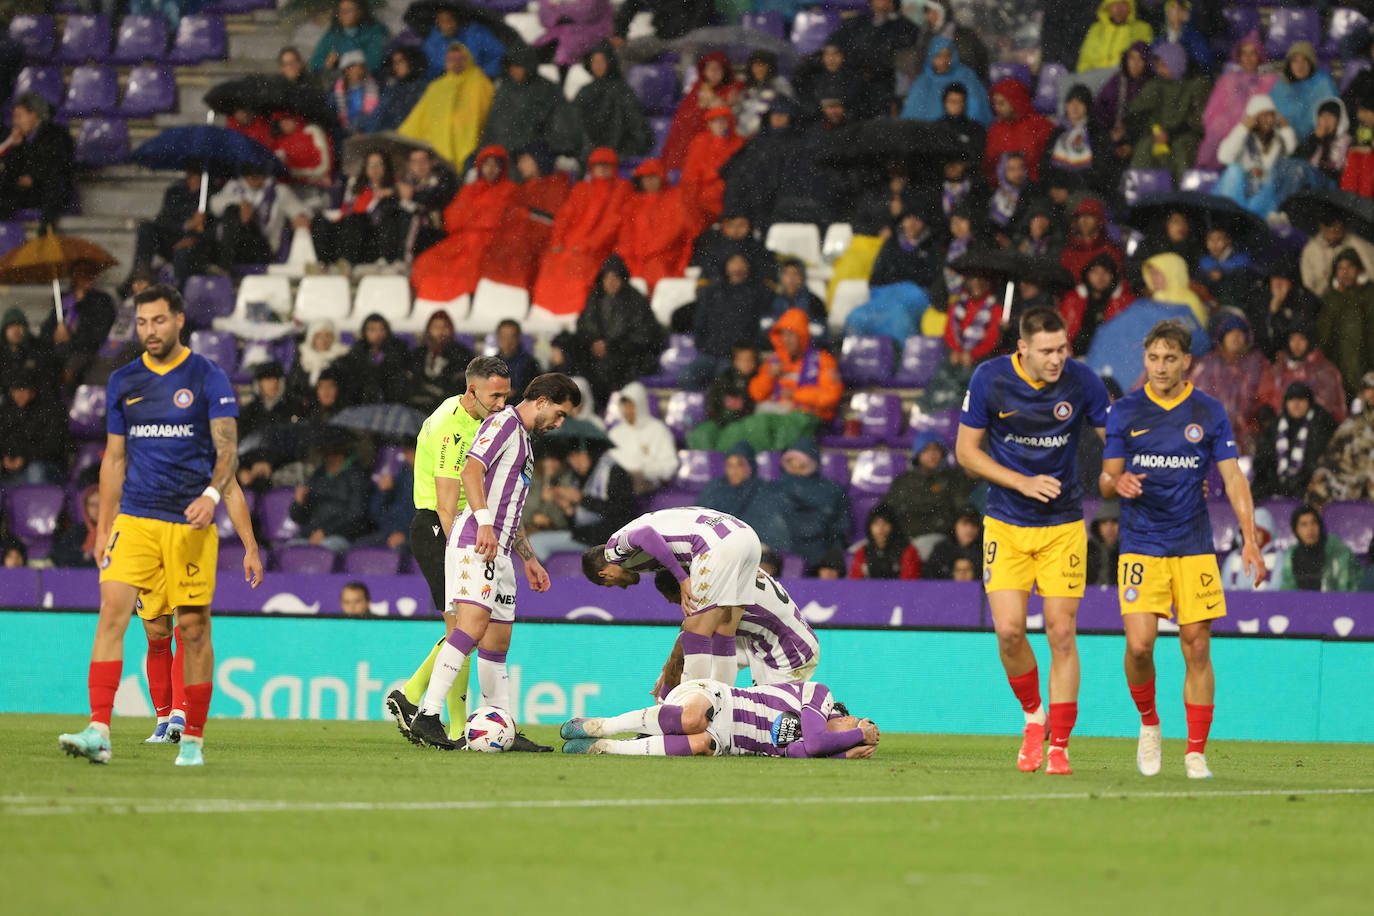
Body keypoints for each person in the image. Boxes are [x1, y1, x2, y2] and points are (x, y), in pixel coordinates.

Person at [58, 285, 238, 768]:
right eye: (141, 322)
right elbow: (114, 459)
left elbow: (228, 450)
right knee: (112, 612)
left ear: (179, 320)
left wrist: (211, 495)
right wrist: (102, 526)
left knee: (194, 629)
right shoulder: (123, 380)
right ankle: (99, 728)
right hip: (135, 518)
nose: (149, 331)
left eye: (158, 321)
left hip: (189, 522)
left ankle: (194, 739)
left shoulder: (207, 376)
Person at [1099, 319, 1266, 779]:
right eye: (1152, 358)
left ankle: (1195, 752)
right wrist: (1118, 481)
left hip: (1193, 546)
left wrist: (1251, 539)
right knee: (1139, 646)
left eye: (1169, 358)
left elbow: (1233, 477)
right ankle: (1149, 723)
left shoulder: (1209, 412)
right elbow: (1105, 479)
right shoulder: (1127, 410)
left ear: (1186, 361)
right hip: (1141, 544)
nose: (1159, 367)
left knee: (1196, 647)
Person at [954, 306, 1111, 775]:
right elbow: (966, 452)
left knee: (1061, 632)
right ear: (1022, 348)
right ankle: (1033, 718)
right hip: (1006, 522)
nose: (1057, 358)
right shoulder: (990, 378)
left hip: (1063, 525)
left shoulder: (1083, 381)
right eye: (1046, 351)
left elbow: (1117, 439)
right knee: (1009, 632)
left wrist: (1129, 473)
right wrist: (1020, 482)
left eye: (1062, 348)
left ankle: (1059, 745)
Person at [405, 374, 581, 751]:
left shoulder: (526, 443)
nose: (560, 423)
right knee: (471, 627)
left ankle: (500, 725)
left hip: (500, 549)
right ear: (543, 400)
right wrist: (484, 524)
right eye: (561, 413)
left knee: (497, 643)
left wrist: (528, 558)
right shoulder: (504, 424)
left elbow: (509, 508)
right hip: (477, 540)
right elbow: (471, 470)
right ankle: (428, 715)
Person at [385, 357, 511, 743]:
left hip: (458, 526)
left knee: (463, 631)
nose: (503, 403)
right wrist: (464, 546)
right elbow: (445, 501)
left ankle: (433, 713)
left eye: (508, 395)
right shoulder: (451, 428)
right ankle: (416, 701)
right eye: (496, 395)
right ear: (472, 390)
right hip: (441, 528)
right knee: (462, 631)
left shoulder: (476, 418)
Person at [581, 507, 764, 685]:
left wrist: (682, 578)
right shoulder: (646, 547)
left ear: (604, 575)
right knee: (725, 628)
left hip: (714, 545)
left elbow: (645, 534)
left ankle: (694, 700)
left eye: (611, 585)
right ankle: (722, 701)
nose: (622, 588)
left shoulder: (612, 551)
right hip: (744, 535)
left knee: (696, 631)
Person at [560, 678, 877, 758]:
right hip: (722, 699)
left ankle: (604, 747)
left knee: (703, 744)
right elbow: (819, 740)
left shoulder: (809, 745)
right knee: (694, 720)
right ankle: (604, 724)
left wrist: (847, 752)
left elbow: (809, 749)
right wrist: (859, 737)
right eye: (858, 721)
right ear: (847, 716)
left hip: (726, 739)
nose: (855, 726)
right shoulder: (821, 695)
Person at [649, 567, 819, 693]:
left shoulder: (716, 598)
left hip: (789, 653)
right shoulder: (725, 567)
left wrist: (668, 673)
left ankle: (834, 725)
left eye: (673, 598)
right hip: (760, 638)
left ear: (683, 587)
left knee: (773, 722)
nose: (672, 603)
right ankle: (673, 717)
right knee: (697, 669)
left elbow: (683, 645)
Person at [531, 147, 633, 315]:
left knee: (578, 267)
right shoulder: (581, 188)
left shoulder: (622, 189)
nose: (602, 168)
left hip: (599, 250)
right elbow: (564, 217)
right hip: (570, 246)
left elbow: (613, 224)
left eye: (607, 164)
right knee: (549, 262)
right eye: (598, 165)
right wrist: (557, 241)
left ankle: (574, 313)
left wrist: (588, 245)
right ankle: (544, 313)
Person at [411, 146, 515, 302]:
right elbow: (451, 219)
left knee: (470, 270)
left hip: (490, 243)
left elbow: (498, 220)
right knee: (425, 262)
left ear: (502, 167)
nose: (491, 169)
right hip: (461, 242)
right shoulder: (469, 189)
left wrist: (472, 217)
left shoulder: (510, 189)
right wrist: (479, 218)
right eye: (487, 164)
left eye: (496, 164)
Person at [557, 256, 663, 407]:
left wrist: (612, 346)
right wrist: (593, 342)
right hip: (594, 353)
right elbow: (583, 327)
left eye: (615, 278)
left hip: (626, 357)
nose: (611, 282)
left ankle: (601, 407)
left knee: (607, 369)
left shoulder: (635, 301)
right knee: (568, 351)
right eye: (607, 278)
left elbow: (644, 337)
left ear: (623, 279)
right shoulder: (595, 298)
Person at [523, 441, 637, 559]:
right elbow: (577, 523)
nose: (574, 463)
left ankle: (542, 577)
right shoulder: (585, 477)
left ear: (591, 453)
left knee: (536, 542)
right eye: (571, 458)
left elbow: (621, 512)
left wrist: (581, 499)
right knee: (533, 541)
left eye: (578, 455)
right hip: (587, 536)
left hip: (609, 538)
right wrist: (569, 510)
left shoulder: (614, 472)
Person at [479, 144, 571, 290]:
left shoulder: (557, 185)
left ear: (539, 161)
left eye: (524, 160)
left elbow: (552, 223)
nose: (520, 165)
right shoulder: (521, 189)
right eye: (519, 161)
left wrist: (523, 218)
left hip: (534, 245)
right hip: (515, 241)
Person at [680, 253, 771, 389]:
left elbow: (756, 329)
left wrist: (743, 352)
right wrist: (704, 346)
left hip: (734, 357)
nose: (737, 267)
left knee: (724, 381)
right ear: (726, 265)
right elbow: (700, 322)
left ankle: (718, 408)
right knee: (686, 375)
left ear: (748, 266)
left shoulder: (756, 293)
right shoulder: (712, 292)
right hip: (709, 353)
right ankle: (698, 408)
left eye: (742, 262)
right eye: (733, 262)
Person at [1187, 310, 1272, 455]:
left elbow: (1266, 397)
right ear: (1222, 338)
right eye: (1231, 332)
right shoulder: (1208, 363)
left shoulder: (1257, 363)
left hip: (1245, 436)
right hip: (1208, 434)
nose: (1236, 337)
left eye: (1240, 333)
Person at [399, 43, 495, 168]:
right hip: (438, 146)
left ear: (468, 59)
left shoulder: (479, 82)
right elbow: (419, 117)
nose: (456, 63)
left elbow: (482, 112)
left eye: (460, 59)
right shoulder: (436, 86)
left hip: (469, 144)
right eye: (451, 59)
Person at [1125, 42, 1208, 182]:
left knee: (1181, 151)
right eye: (1158, 65)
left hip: (1185, 134)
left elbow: (1201, 119)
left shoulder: (1197, 84)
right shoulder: (1157, 84)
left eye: (1163, 65)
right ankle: (1140, 192)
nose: (1160, 70)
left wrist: (1171, 133)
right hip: (1158, 133)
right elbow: (1136, 110)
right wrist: (1151, 129)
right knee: (1145, 148)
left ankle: (1184, 196)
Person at [310, 150, 407, 268]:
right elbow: (344, 212)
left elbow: (405, 194)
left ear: (386, 167)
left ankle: (346, 263)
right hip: (349, 230)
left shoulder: (393, 188)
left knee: (356, 219)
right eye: (370, 165)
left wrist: (391, 192)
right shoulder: (357, 188)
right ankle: (323, 264)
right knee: (319, 220)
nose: (374, 168)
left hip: (370, 239)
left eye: (378, 164)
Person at [479, 45, 579, 157]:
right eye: (511, 66)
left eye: (518, 66)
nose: (513, 70)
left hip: (537, 157)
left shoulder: (547, 89)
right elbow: (493, 126)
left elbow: (561, 124)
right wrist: (483, 152)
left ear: (528, 66)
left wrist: (559, 151)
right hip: (503, 158)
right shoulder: (504, 89)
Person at [748, 308, 844, 423]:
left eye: (791, 334)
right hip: (775, 417)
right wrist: (769, 376)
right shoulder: (775, 360)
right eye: (783, 334)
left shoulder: (823, 360)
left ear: (801, 336)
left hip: (806, 420)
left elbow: (832, 395)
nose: (786, 340)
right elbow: (756, 394)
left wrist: (796, 394)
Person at [1198, 33, 1279, 170]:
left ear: (1259, 56)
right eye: (1244, 53)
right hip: (1223, 132)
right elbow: (1211, 112)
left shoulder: (1270, 81)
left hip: (1253, 131)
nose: (1248, 58)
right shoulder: (1227, 80)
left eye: (1252, 53)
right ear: (1239, 57)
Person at [614, 159, 692, 293]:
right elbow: (625, 235)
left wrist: (649, 251)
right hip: (636, 257)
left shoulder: (675, 197)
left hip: (665, 255)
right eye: (646, 178)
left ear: (661, 178)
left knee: (654, 270)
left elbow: (675, 230)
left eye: (654, 177)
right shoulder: (632, 202)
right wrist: (630, 254)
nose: (650, 181)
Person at [1251, 381, 1337, 502]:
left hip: (1307, 481)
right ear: (1286, 403)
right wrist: (1272, 480)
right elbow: (1262, 460)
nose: (1296, 404)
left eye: (1301, 399)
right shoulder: (1276, 425)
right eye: (1291, 400)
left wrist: (1294, 482)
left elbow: (1317, 461)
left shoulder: (1321, 423)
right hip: (1280, 481)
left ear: (1309, 402)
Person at [696, 442, 791, 552]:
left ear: (750, 465)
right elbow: (699, 524)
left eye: (740, 464)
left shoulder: (764, 490)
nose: (734, 470)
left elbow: (773, 534)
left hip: (756, 552)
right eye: (729, 465)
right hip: (715, 550)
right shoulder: (713, 489)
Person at [210, 166, 311, 267]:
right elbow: (214, 205)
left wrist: (300, 217)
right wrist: (241, 203)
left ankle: (225, 265)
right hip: (236, 243)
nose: (253, 177)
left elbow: (301, 213)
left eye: (258, 172)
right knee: (232, 211)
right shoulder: (233, 186)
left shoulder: (278, 191)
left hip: (263, 247)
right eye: (248, 172)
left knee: (237, 215)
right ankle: (225, 264)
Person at [1214, 94, 1297, 217]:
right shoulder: (1242, 136)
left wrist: (1285, 127)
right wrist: (1243, 128)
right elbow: (1224, 156)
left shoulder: (1278, 139)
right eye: (1264, 115)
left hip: (1262, 194)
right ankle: (1229, 216)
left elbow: (1291, 149)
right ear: (1253, 117)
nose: (1269, 120)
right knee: (1234, 170)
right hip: (1240, 190)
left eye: (1271, 115)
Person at [0, 93, 75, 229]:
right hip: (27, 191)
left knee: (52, 186)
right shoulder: (21, 140)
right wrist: (15, 148)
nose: (15, 122)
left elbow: (57, 166)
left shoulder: (56, 134)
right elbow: (12, 170)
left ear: (33, 115)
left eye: (19, 116)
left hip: (49, 190)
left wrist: (34, 178)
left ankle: (45, 234)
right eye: (14, 117)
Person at [775, 437, 850, 570]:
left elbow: (841, 525)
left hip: (823, 548)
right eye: (792, 465)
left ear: (812, 464)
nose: (797, 471)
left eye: (802, 465)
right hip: (785, 549)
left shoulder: (831, 488)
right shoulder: (778, 488)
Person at [829, 0, 921, 109]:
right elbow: (834, 43)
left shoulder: (904, 27)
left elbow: (905, 56)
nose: (882, 4)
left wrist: (896, 17)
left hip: (887, 84)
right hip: (856, 81)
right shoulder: (857, 22)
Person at [884, 430, 973, 541]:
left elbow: (958, 512)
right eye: (926, 449)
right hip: (903, 540)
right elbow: (886, 510)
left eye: (936, 449)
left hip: (939, 541)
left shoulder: (952, 478)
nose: (932, 454)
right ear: (918, 454)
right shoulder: (903, 480)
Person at [661, 52, 743, 171]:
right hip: (694, 144)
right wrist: (700, 107)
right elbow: (682, 121)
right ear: (703, 71)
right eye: (710, 69)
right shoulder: (697, 90)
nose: (714, 73)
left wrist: (718, 102)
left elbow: (729, 120)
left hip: (718, 144)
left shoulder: (732, 91)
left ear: (724, 71)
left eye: (718, 69)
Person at [571, 40, 653, 159]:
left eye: (601, 61)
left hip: (619, 156)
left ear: (610, 62)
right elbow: (575, 126)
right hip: (589, 157)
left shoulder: (623, 91)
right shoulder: (584, 92)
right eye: (594, 61)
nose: (597, 65)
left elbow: (636, 126)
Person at [132, 169, 213, 288]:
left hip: (196, 248)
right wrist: (187, 224)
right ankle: (141, 275)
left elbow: (216, 229)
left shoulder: (211, 195)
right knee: (146, 228)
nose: (193, 178)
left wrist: (195, 236)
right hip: (172, 240)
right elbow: (162, 220)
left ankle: (179, 293)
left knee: (183, 252)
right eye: (191, 174)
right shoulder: (175, 192)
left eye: (196, 174)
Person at [288, 438, 369, 554]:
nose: (322, 452)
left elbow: (356, 514)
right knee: (290, 549)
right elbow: (298, 517)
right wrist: (299, 503)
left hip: (342, 536)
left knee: (321, 552)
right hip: (309, 535)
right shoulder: (317, 475)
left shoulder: (357, 476)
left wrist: (325, 531)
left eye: (326, 448)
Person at [41, 269, 116, 389]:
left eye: (90, 274)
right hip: (59, 352)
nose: (87, 278)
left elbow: (99, 334)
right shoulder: (63, 301)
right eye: (82, 274)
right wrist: (54, 335)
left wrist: (71, 338)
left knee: (71, 370)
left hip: (85, 351)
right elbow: (46, 329)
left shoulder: (101, 301)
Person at [1306, 371, 1374, 505]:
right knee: (1318, 486)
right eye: (1368, 388)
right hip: (1352, 476)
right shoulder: (1352, 423)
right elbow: (1332, 454)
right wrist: (1323, 471)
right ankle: (1314, 525)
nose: (1372, 393)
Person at [237, 360, 304, 491]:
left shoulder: (293, 409)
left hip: (281, 468)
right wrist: (243, 469)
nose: (273, 384)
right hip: (249, 468)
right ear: (259, 383)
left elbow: (295, 443)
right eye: (267, 379)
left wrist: (269, 462)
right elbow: (237, 443)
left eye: (276, 379)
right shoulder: (247, 412)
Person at [1317, 248, 1374, 400]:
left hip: (1367, 371)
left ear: (1358, 270)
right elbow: (1324, 338)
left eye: (1350, 267)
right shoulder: (1330, 299)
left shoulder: (1370, 295)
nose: (1345, 272)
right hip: (1339, 373)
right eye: (1341, 268)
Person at [1266, 322, 1346, 423]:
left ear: (1309, 341)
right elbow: (1270, 399)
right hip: (1284, 427)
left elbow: (1327, 405)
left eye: (1301, 339)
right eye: (1292, 339)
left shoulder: (1323, 369)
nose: (1296, 344)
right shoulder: (1280, 368)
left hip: (1314, 427)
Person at [680, 106, 743, 233]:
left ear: (729, 122)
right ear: (709, 124)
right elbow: (690, 177)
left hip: (730, 199)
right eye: (715, 121)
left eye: (723, 120)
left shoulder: (739, 143)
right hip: (705, 201)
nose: (720, 125)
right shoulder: (700, 143)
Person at [607, 382, 678, 493]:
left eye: (632, 406)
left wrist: (645, 471)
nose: (627, 411)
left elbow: (670, 465)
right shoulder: (615, 433)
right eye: (625, 406)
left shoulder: (658, 429)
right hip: (615, 483)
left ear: (641, 405)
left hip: (645, 483)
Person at [0, 371, 68, 487]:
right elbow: (4, 439)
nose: (19, 394)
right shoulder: (8, 410)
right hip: (14, 467)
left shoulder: (50, 410)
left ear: (32, 391)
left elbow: (53, 447)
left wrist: (24, 457)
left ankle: (36, 505)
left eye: (23, 390)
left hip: (46, 466)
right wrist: (5, 457)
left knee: (35, 469)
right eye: (16, 390)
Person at [901, 36, 989, 125]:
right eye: (939, 55)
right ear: (931, 58)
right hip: (928, 134)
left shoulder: (966, 76)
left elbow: (976, 108)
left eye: (947, 55)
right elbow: (911, 115)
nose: (944, 60)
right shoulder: (923, 81)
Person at [1059, 254, 1134, 355]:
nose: (1100, 277)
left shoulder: (1125, 301)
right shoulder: (1072, 299)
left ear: (1113, 276)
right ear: (1087, 274)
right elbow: (1062, 333)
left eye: (1106, 272)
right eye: (1095, 272)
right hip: (1076, 357)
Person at [405, 311, 477, 415]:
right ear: (428, 330)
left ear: (451, 330)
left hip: (449, 410)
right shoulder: (418, 354)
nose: (440, 332)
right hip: (416, 407)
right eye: (436, 327)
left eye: (444, 327)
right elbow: (410, 382)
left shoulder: (462, 354)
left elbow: (460, 387)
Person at [983, 79, 1053, 185]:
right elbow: (989, 166)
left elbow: (1048, 164)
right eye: (995, 103)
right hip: (1001, 191)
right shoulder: (995, 129)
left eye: (1001, 103)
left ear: (1016, 101)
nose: (996, 108)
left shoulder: (1042, 126)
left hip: (1034, 190)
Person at [1277, 504, 1360, 592]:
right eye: (1304, 524)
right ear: (1296, 530)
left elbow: (1350, 586)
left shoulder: (1337, 550)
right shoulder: (1292, 554)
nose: (1310, 529)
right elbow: (1288, 589)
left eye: (1314, 523)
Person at [396, 147, 459, 257]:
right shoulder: (405, 182)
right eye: (415, 162)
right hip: (408, 228)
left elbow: (436, 199)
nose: (419, 165)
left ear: (431, 162)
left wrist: (412, 195)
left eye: (423, 161)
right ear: (410, 165)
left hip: (436, 229)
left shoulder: (443, 178)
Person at [1269, 41, 1337, 142]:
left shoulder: (1322, 83)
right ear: (1289, 64)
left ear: (1311, 63)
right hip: (1283, 142)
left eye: (1305, 60)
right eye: (1295, 61)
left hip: (1316, 142)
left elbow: (1332, 116)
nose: (1300, 66)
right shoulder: (1279, 86)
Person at [340, 313, 409, 404]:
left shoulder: (399, 351)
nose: (378, 334)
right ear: (364, 331)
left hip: (392, 404)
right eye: (372, 330)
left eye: (381, 329)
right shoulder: (356, 353)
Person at [421, 5, 503, 80]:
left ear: (458, 19)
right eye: (442, 21)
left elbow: (499, 55)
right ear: (437, 22)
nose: (448, 25)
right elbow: (431, 72)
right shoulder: (431, 44)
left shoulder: (477, 33)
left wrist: (483, 73)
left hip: (482, 82)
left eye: (450, 19)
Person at [871, 205, 942, 289]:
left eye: (917, 219)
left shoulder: (931, 246)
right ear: (902, 221)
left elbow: (932, 278)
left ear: (924, 223)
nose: (912, 223)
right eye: (908, 218)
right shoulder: (891, 243)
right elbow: (877, 274)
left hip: (918, 295)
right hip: (887, 291)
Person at [309, 0, 388, 75]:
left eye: (348, 10)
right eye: (341, 11)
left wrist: (345, 61)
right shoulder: (333, 34)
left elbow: (375, 63)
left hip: (369, 83)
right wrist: (327, 65)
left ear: (359, 12)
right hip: (338, 84)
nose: (343, 14)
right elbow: (315, 64)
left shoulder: (373, 32)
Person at [361, 47, 429, 133]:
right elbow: (377, 115)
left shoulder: (424, 89)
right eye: (394, 63)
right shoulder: (392, 88)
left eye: (400, 62)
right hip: (383, 137)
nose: (395, 67)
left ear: (411, 61)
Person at [1059, 197, 1123, 284]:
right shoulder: (1069, 252)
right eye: (1080, 216)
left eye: (1089, 216)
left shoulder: (1112, 251)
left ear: (1099, 220)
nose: (1084, 220)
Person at [1077, 0, 1153, 73]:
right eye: (1114, 3)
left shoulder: (1142, 29)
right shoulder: (1096, 29)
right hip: (1094, 78)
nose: (1119, 8)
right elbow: (1084, 61)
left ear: (1130, 6)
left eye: (1123, 3)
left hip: (1125, 78)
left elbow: (1145, 60)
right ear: (1107, 7)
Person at [271, 111, 333, 201]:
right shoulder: (279, 144)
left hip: (320, 184)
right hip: (295, 187)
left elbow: (326, 163)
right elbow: (284, 172)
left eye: (287, 120)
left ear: (295, 119)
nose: (285, 124)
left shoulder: (312, 131)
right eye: (281, 122)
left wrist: (311, 176)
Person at [534, 0, 614, 70]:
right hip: (561, 33)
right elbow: (545, 18)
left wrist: (559, 6)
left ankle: (562, 84)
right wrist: (568, 8)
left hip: (593, 32)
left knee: (566, 53)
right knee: (535, 54)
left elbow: (586, 11)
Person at [849, 504, 920, 580]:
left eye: (885, 523)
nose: (880, 528)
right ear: (869, 526)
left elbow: (910, 585)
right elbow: (855, 584)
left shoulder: (907, 550)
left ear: (893, 526)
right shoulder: (863, 552)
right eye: (876, 523)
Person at [736, 49, 793, 138]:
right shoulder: (749, 86)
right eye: (754, 65)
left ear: (770, 67)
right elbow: (741, 110)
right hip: (743, 135)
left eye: (762, 65)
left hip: (767, 136)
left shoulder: (779, 84)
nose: (758, 69)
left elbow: (785, 110)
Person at [1219, 507, 1279, 591]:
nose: (1252, 535)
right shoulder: (1233, 557)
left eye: (1257, 531)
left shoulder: (1278, 557)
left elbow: (1276, 589)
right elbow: (1224, 588)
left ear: (1265, 534)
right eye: (1247, 530)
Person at [1154, 0, 1211, 75]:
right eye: (1173, 8)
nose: (1177, 12)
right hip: (1164, 80)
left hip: (1187, 80)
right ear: (1167, 12)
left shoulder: (1195, 38)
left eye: (1180, 9)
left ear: (1187, 13)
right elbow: (1154, 62)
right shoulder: (1161, 38)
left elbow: (1204, 63)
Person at [330, 50, 379, 132]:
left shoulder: (371, 87)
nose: (356, 72)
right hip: (342, 127)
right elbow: (333, 108)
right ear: (345, 71)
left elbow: (371, 111)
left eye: (359, 68)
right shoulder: (339, 88)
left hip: (365, 127)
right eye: (351, 69)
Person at [493, 319, 539, 397]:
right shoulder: (492, 363)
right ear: (498, 337)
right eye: (504, 337)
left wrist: (517, 393)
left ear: (518, 338)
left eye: (512, 337)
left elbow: (536, 390)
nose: (508, 341)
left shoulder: (529, 363)